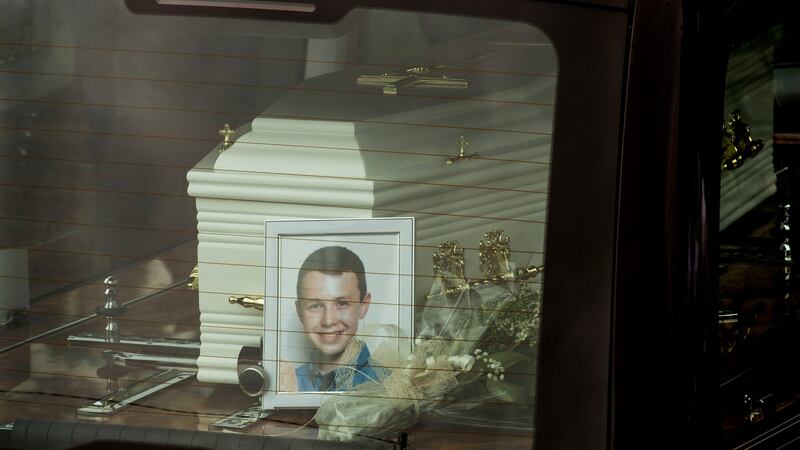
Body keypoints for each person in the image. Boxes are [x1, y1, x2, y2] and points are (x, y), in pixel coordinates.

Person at [281, 245, 380, 392]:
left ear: (363, 306)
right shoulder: (287, 386)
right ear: (300, 311)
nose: (328, 321)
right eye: (315, 306)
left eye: (341, 304)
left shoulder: (387, 384)